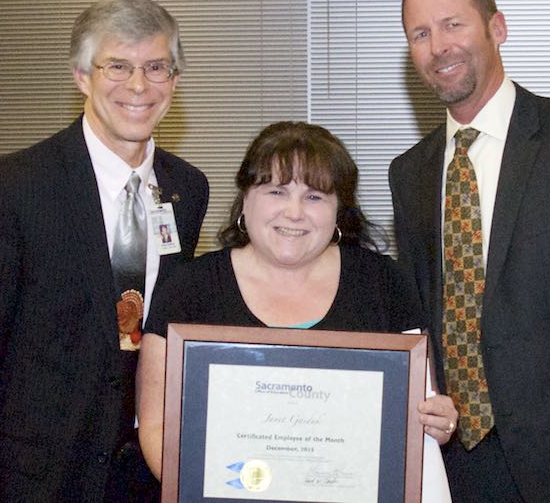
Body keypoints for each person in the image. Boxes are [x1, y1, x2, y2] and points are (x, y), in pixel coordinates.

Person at [137, 121, 457, 490]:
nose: (294, 212)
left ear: (339, 210)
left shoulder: (386, 285)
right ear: (246, 199)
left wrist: (438, 423)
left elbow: (420, 409)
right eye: (276, 192)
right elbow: (157, 429)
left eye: (314, 197)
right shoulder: (187, 290)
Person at [0, 0, 209, 502]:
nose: (138, 85)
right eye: (118, 66)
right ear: (82, 76)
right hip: (35, 472)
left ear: (175, 81)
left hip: (143, 467)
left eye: (156, 67)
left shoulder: (187, 188)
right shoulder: (13, 186)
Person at [389, 0, 550, 502]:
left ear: (497, 28)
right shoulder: (409, 172)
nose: (438, 46)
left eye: (453, 24)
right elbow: (420, 309)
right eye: (421, 33)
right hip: (454, 458)